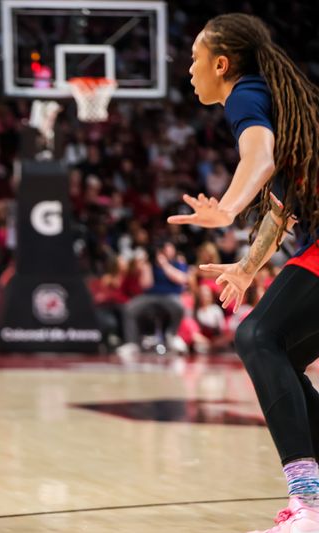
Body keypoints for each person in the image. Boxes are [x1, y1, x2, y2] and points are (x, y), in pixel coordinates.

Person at [170, 14, 319, 533]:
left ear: (221, 63)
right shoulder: (282, 101)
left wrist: (228, 210)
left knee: (258, 335)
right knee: (280, 354)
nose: (188, 69)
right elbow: (282, 208)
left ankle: (308, 505)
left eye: (194, 58)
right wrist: (248, 265)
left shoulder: (246, 93)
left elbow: (259, 156)